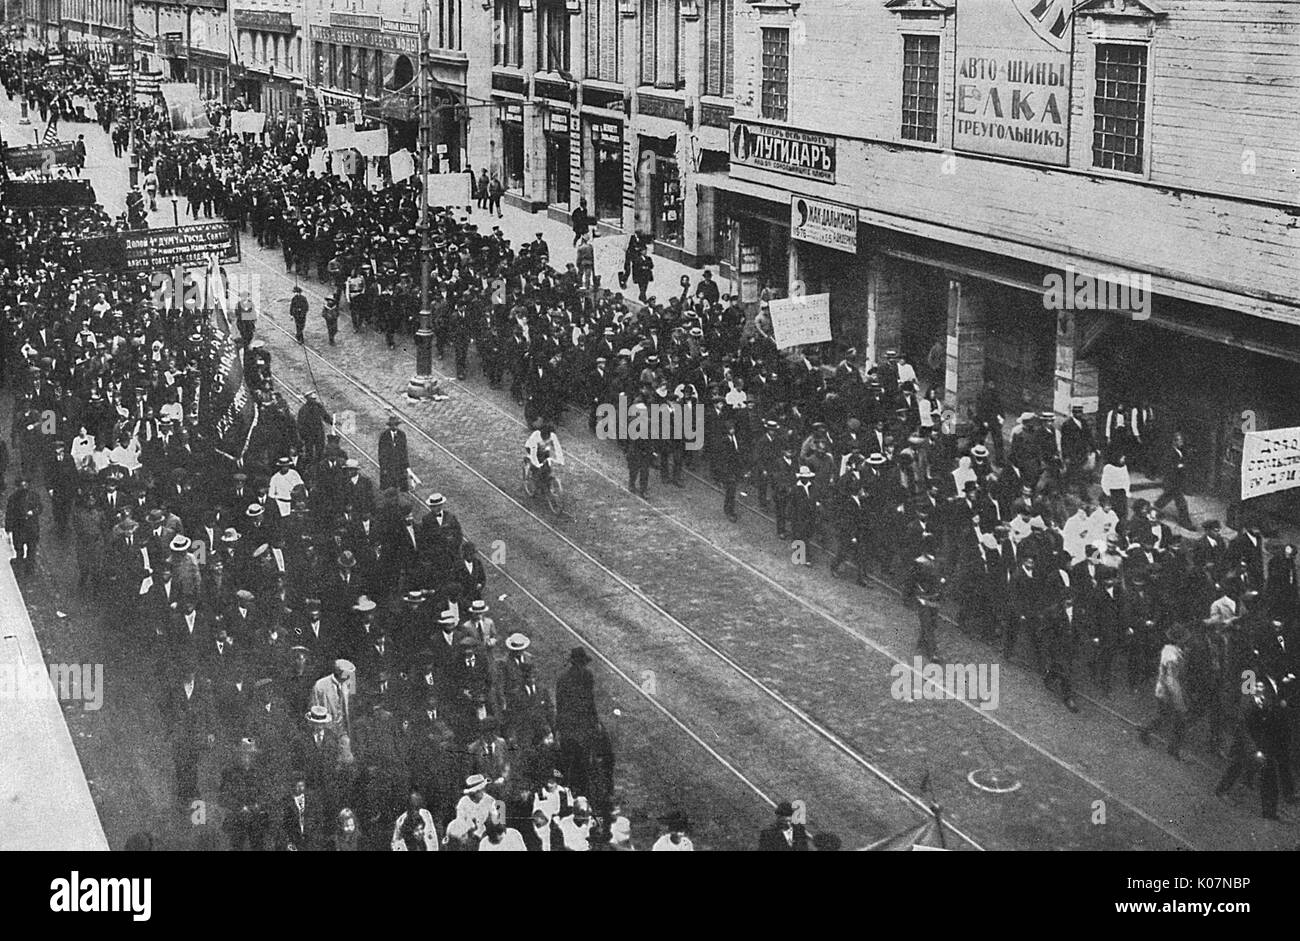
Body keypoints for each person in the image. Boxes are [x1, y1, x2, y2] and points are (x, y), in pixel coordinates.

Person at [1139, 624, 1190, 760]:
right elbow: (1171, 680)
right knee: (1170, 718)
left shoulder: (1171, 651)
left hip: (1165, 690)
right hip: (1168, 692)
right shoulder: (1172, 656)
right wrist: (1179, 700)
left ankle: (1147, 731)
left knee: (1165, 717)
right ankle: (1169, 746)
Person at [5, 476, 42, 576]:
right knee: (19, 549)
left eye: (26, 484)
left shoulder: (34, 496)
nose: (24, 487)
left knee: (31, 550)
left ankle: (30, 569)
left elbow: (40, 508)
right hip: (19, 528)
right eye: (22, 485)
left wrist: (33, 512)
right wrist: (8, 529)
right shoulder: (13, 498)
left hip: (31, 528)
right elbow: (9, 513)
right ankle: (20, 568)